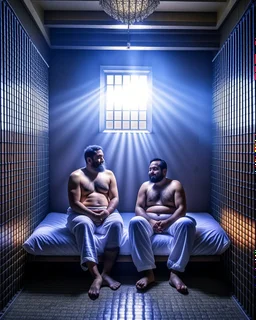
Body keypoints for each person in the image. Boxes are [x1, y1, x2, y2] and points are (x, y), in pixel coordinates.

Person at [129, 158, 196, 294]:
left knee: (187, 223)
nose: (151, 172)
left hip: (171, 221)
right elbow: (138, 208)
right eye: (150, 169)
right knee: (135, 222)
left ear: (164, 171)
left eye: (155, 169)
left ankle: (175, 272)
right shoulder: (145, 186)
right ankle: (148, 273)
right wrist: (151, 222)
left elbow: (182, 209)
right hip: (149, 220)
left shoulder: (175, 185)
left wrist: (167, 223)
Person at [67, 145, 123, 300]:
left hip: (106, 212)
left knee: (117, 224)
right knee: (84, 225)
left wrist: (107, 212)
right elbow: (74, 203)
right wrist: (91, 214)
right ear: (89, 159)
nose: (102, 159)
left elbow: (115, 197)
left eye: (102, 156)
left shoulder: (109, 174)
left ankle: (106, 274)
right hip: (82, 213)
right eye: (99, 157)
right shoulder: (76, 176)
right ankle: (96, 276)